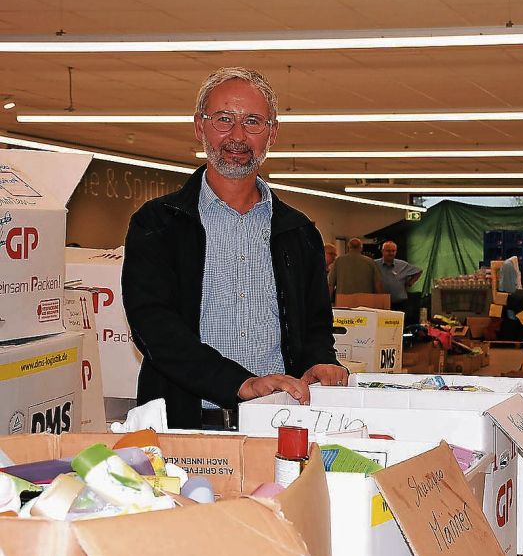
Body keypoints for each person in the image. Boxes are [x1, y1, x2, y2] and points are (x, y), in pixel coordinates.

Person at [122, 67, 348, 430]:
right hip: (185, 425)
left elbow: (316, 325)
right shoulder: (159, 224)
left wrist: (320, 360)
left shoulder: (298, 231)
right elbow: (155, 328)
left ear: (272, 133)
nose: (238, 136)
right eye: (224, 119)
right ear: (200, 126)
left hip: (278, 423)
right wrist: (240, 384)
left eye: (253, 121)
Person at [376, 241, 422, 314]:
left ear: (396, 251)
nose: (391, 253)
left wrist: (409, 283)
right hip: (381, 304)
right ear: (382, 251)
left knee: (399, 324)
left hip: (400, 303)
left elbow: (419, 271)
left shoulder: (402, 265)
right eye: (388, 251)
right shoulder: (375, 264)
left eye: (393, 251)